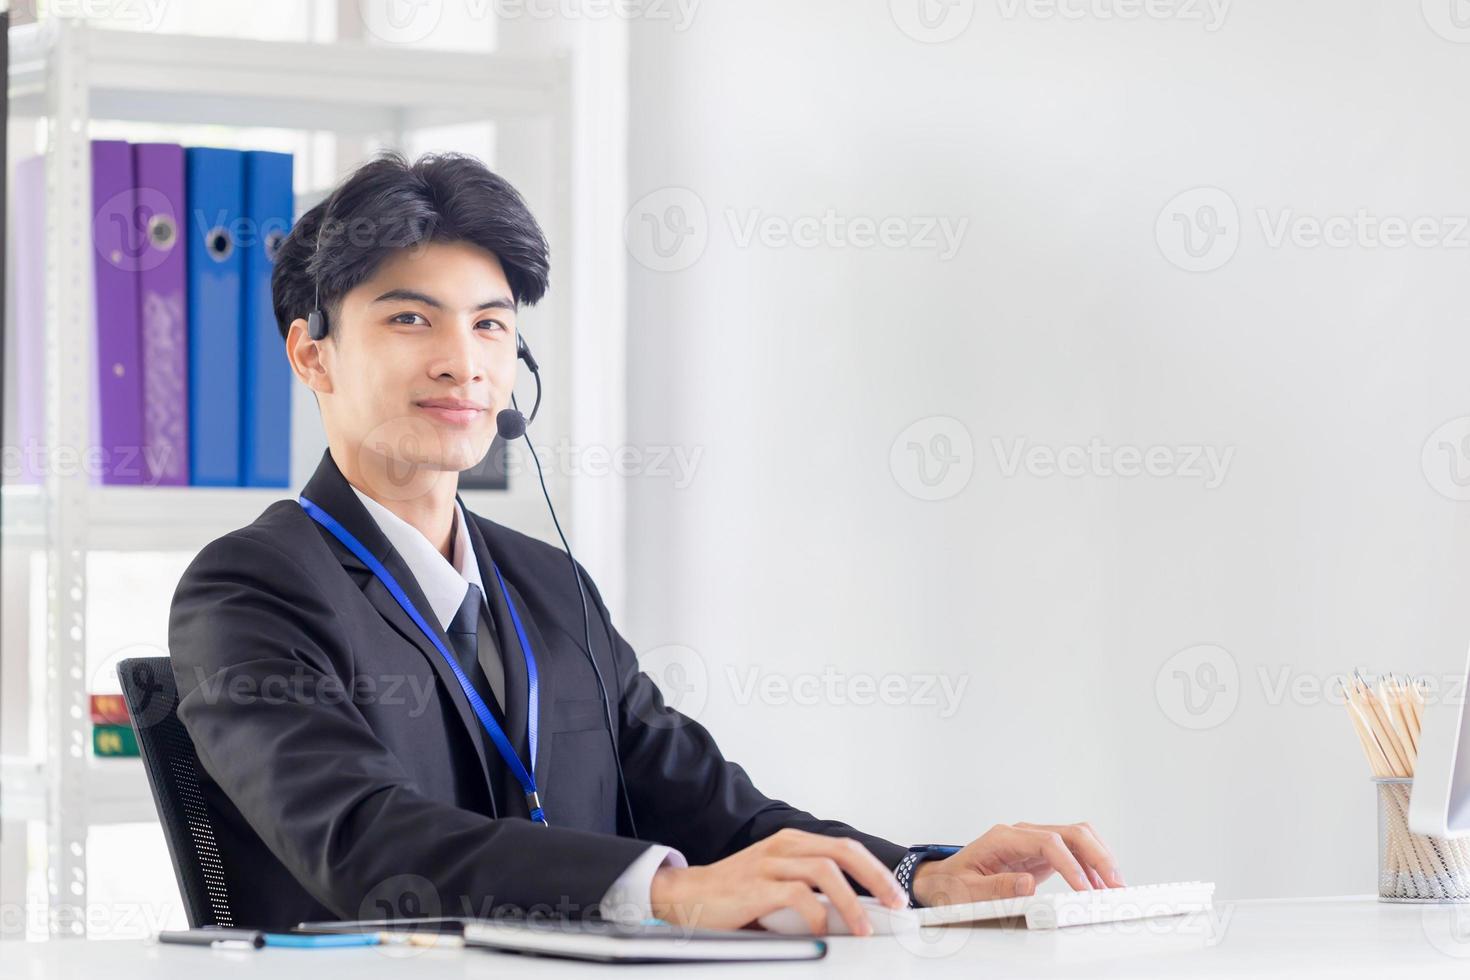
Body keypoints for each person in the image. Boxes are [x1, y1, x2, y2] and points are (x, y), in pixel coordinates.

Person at [168, 151, 1124, 936]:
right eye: (411, 318)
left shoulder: (549, 586)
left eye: (492, 326)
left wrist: (922, 876)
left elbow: (716, 812)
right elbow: (365, 840)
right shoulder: (250, 589)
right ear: (311, 353)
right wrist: (668, 891)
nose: (462, 361)